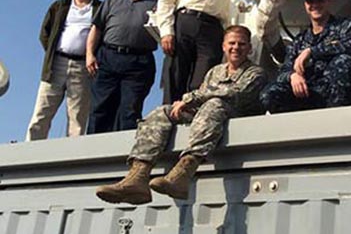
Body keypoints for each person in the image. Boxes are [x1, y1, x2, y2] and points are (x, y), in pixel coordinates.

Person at [95, 25, 266, 204]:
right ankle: (138, 176)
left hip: (235, 117)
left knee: (214, 104)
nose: (236, 48)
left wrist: (190, 98)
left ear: (249, 48)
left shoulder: (256, 73)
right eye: (232, 43)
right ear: (223, 46)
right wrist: (185, 106)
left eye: (242, 44)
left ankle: (184, 172)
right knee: (163, 112)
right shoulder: (215, 72)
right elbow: (202, 97)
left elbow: (233, 94)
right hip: (208, 117)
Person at [260, 0, 351, 113]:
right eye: (310, 1)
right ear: (305, 4)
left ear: (328, 1)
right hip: (306, 92)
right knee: (269, 94)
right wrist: (292, 76)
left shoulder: (345, 27)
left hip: (334, 94)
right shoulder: (299, 40)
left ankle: (336, 120)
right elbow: (283, 70)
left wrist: (312, 51)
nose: (315, 5)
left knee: (343, 61)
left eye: (320, 0)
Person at [26, 0, 101, 140]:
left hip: (83, 67)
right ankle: (30, 155)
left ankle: (71, 161)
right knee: (41, 113)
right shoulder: (59, 6)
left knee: (77, 119)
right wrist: (53, 53)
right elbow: (44, 33)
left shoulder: (99, 8)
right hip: (55, 65)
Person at [86, 0, 158, 133]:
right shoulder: (113, 0)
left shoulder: (158, 2)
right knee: (100, 109)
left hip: (139, 63)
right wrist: (89, 54)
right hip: (108, 58)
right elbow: (96, 28)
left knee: (129, 111)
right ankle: (94, 155)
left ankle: (122, 154)